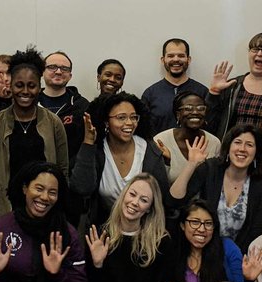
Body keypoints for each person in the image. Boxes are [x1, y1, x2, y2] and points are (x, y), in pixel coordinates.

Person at [0, 47, 69, 221]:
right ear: (11, 86)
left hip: (45, 208)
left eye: (31, 86)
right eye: (19, 85)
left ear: (39, 87)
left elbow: (62, 169)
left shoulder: (54, 123)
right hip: (6, 210)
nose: (25, 91)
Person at [168, 124, 262, 252]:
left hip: (236, 254)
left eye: (249, 145)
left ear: (257, 152)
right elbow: (174, 200)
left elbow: (256, 230)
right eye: (237, 142)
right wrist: (191, 164)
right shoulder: (211, 168)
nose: (242, 149)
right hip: (199, 248)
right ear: (228, 147)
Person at [70, 92, 169, 227]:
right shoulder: (98, 150)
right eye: (121, 117)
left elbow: (161, 197)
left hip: (143, 228)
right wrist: (88, 142)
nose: (129, 123)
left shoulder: (149, 150)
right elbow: (82, 188)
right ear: (106, 122)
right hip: (104, 227)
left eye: (133, 117)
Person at [162, 199, 244, 282]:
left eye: (208, 224)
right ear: (182, 225)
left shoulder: (228, 248)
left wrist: (249, 279)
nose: (201, 229)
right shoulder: (175, 255)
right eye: (195, 222)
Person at [206, 32, 262, 138]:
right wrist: (214, 93)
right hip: (232, 150)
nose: (259, 54)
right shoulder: (232, 86)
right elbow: (209, 125)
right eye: (255, 49)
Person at [141, 38, 209, 137]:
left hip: (195, 150)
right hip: (158, 150)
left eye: (181, 56)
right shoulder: (150, 94)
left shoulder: (202, 92)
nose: (176, 59)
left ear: (188, 59)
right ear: (163, 60)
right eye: (170, 56)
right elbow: (144, 129)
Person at [152, 91, 221, 184]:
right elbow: (154, 183)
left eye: (201, 108)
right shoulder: (161, 141)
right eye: (188, 108)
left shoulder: (214, 143)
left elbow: (215, 182)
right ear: (178, 114)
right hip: (169, 197)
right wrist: (167, 162)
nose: (195, 112)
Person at [39, 51, 90, 163]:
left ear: (70, 75)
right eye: (52, 67)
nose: (58, 72)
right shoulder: (30, 104)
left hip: (70, 173)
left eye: (64, 68)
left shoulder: (82, 106)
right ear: (42, 72)